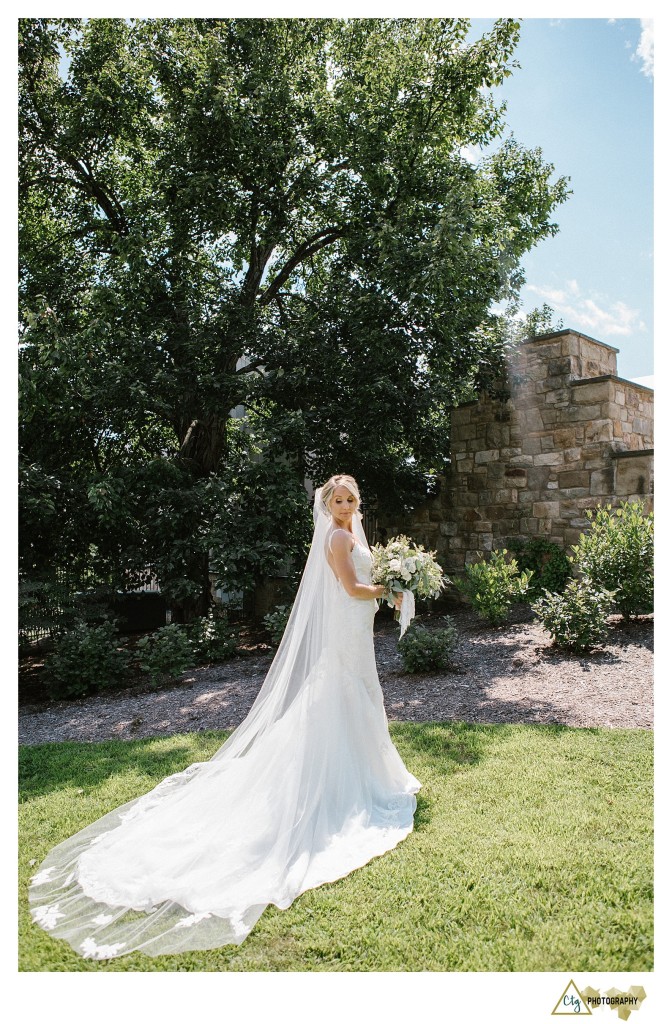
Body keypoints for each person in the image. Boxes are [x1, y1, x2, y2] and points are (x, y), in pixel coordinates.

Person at [29, 474, 421, 960]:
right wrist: (391, 586)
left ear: (357, 502)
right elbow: (351, 587)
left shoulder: (355, 533)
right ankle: (351, 781)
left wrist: (395, 583)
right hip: (347, 630)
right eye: (338, 499)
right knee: (347, 694)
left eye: (351, 499)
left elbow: (363, 584)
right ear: (327, 505)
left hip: (356, 633)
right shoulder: (338, 537)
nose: (344, 506)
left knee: (357, 694)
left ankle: (370, 773)